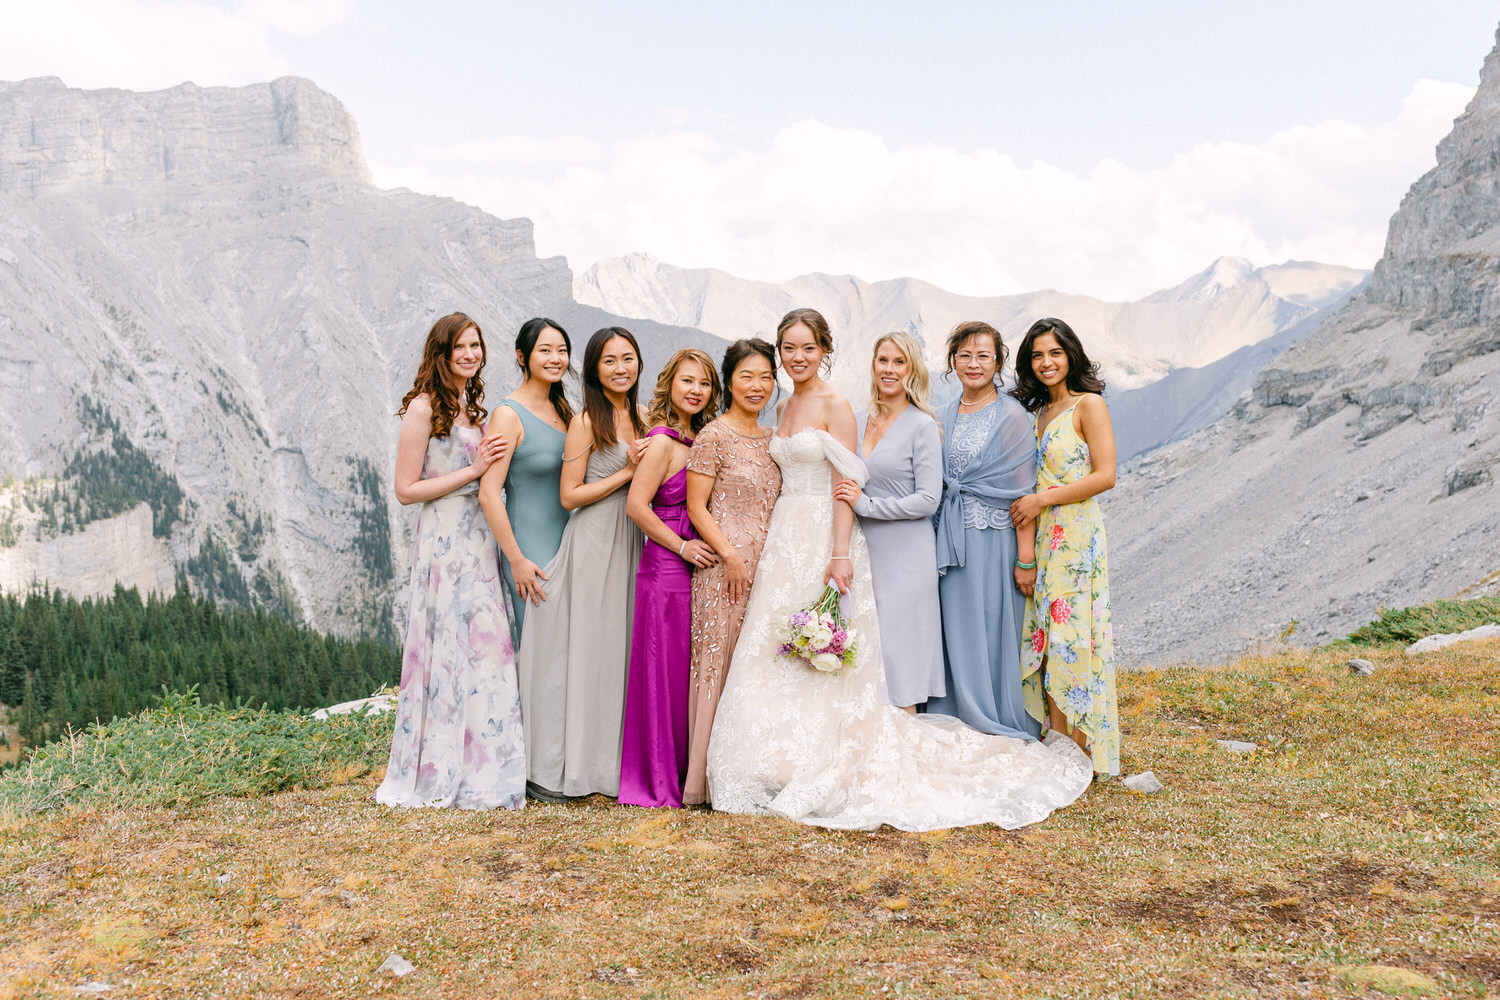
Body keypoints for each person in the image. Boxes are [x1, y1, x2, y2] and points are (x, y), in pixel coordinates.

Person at [706, 308, 1093, 832]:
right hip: (788, 536)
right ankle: (781, 753)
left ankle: (902, 743)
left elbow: (915, 496)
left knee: (878, 649)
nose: (798, 358)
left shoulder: (894, 418)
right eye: (788, 349)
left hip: (863, 537)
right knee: (793, 642)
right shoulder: (794, 404)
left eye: (808, 348)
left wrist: (846, 536)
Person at [376, 312, 525, 810]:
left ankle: (489, 761)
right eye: (459, 347)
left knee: (485, 644)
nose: (469, 354)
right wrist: (473, 470)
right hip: (443, 538)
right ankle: (437, 766)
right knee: (446, 643)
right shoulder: (423, 409)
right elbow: (405, 490)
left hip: (481, 536)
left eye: (476, 345)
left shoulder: (475, 408)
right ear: (440, 353)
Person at [514, 326, 647, 799]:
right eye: (609, 360)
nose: (620, 368)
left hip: (634, 538)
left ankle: (610, 765)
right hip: (594, 539)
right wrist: (628, 473)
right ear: (593, 369)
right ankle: (567, 768)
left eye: (628, 358)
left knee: (620, 652)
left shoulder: (646, 417)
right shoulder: (587, 420)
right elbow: (569, 495)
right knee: (589, 650)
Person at [1009, 317, 1120, 779]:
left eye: (1055, 352)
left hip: (1075, 535)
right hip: (1043, 539)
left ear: (1071, 354)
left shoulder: (1087, 404)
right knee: (1048, 642)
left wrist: (1041, 499)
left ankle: (1079, 752)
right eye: (1037, 355)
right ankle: (1057, 745)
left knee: (1073, 638)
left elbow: (1105, 475)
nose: (1047, 362)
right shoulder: (1037, 414)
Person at [925, 321, 1041, 740]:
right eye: (965, 355)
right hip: (950, 536)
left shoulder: (1012, 415)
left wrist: (1025, 559)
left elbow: (1023, 495)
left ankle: (992, 713)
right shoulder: (942, 414)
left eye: (983, 356)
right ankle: (951, 712)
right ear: (952, 361)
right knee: (952, 626)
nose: (974, 364)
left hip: (994, 540)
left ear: (998, 362)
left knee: (990, 627)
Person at [618, 349, 722, 808]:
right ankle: (659, 778)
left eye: (704, 383)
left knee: (687, 671)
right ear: (670, 385)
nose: (695, 390)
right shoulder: (660, 443)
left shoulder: (703, 438)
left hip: (697, 570)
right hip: (665, 570)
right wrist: (680, 547)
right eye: (687, 381)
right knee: (663, 671)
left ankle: (688, 770)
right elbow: (636, 506)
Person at [681, 338, 781, 806]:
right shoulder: (714, 436)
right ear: (730, 381)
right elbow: (696, 507)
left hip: (769, 566)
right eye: (747, 376)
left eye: (765, 376)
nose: (757, 386)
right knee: (716, 663)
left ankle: (743, 770)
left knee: (752, 667)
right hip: (724, 568)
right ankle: (700, 781)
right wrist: (731, 556)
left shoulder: (773, 438)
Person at [832, 332, 943, 712]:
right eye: (883, 360)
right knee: (865, 644)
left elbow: (929, 498)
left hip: (907, 553)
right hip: (863, 550)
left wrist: (868, 505)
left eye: (899, 362)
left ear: (911, 370)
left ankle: (906, 738)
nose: (890, 369)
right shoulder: (855, 419)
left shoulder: (922, 426)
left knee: (899, 650)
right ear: (873, 365)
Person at [478, 317, 573, 645]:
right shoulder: (508, 415)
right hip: (530, 550)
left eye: (562, 350)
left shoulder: (563, 409)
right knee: (541, 649)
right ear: (522, 357)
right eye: (545, 350)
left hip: (568, 543)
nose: (555, 358)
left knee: (567, 648)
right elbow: (489, 494)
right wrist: (516, 560)